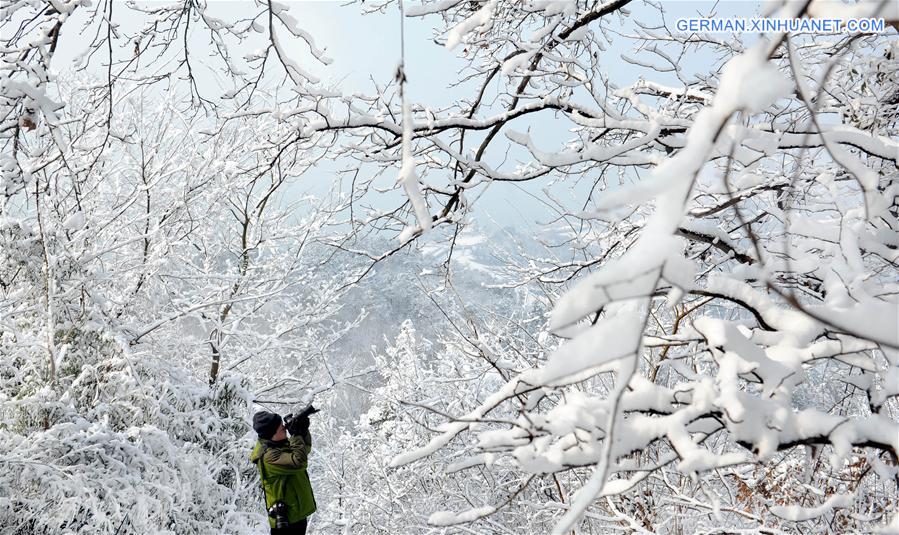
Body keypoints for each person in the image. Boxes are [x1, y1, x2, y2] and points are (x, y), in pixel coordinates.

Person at [250, 410, 316, 535]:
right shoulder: (269, 456)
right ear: (272, 434)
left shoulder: (278, 444)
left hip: (296, 513)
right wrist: (296, 435)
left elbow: (304, 449)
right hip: (287, 520)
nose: (285, 428)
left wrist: (303, 431)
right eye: (281, 428)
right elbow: (299, 461)